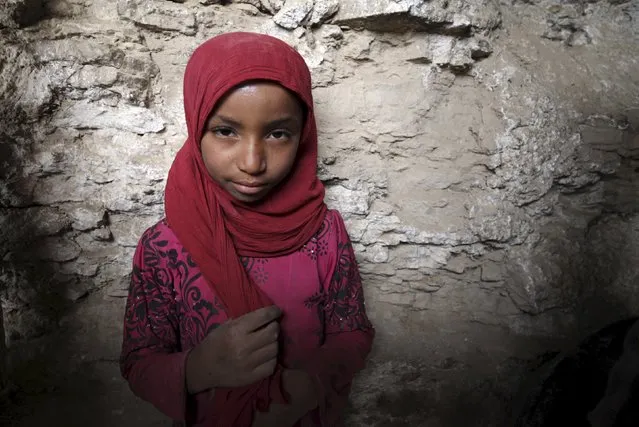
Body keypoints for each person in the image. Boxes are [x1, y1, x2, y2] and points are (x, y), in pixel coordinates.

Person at [119, 32, 375, 427]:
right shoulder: (164, 247)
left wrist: (310, 386)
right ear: (196, 125)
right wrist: (200, 367)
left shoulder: (324, 233)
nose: (253, 162)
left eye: (277, 133)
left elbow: (352, 333)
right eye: (226, 131)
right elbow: (139, 363)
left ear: (303, 136)